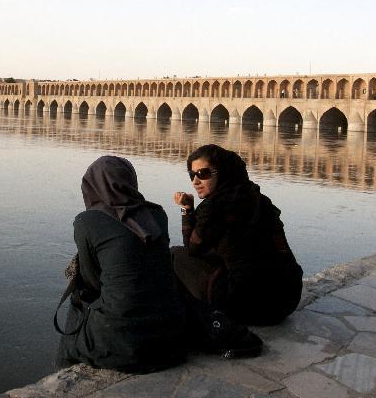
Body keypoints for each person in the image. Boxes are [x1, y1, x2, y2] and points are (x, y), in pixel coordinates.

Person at [56, 156, 184, 372]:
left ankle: (64, 368)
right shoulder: (157, 214)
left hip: (123, 345)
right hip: (171, 339)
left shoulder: (87, 222)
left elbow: (91, 281)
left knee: (78, 296)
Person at [172, 144, 303, 328]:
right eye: (192, 175)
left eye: (203, 173)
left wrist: (187, 211)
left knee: (175, 256)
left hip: (250, 307)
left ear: (222, 172)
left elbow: (192, 249)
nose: (195, 181)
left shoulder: (217, 206)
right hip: (287, 300)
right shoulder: (258, 199)